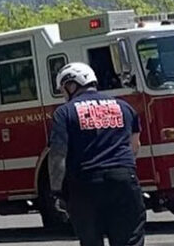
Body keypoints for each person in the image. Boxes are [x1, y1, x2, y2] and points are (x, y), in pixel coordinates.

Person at [48, 62, 145, 246]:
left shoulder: (65, 112)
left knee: (91, 241)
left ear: (71, 85)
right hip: (123, 181)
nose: (63, 95)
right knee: (130, 239)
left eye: (63, 89)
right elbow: (134, 146)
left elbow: (58, 155)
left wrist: (57, 191)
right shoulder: (124, 107)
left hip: (85, 184)